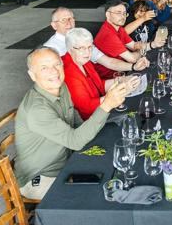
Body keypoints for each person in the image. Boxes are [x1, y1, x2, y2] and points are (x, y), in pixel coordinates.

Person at [15, 47, 130, 199]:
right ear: (32, 75)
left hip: (68, 161)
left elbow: (76, 122)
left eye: (57, 64)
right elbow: (75, 141)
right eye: (44, 68)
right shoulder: (37, 110)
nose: (54, 71)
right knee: (97, 195)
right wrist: (107, 105)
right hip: (42, 176)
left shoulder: (61, 87)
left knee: (115, 172)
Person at [43, 7, 149, 77]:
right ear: (54, 25)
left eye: (71, 19)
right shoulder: (50, 49)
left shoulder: (82, 38)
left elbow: (108, 62)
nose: (69, 23)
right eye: (63, 20)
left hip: (93, 82)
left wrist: (133, 67)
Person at [62, 28, 142, 120]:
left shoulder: (83, 60)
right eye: (82, 48)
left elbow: (99, 86)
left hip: (102, 107)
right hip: (92, 119)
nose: (87, 52)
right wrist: (120, 91)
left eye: (90, 47)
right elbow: (86, 108)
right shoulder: (68, 72)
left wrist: (122, 80)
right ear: (70, 49)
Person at [94, 0, 166, 79]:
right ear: (108, 15)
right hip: (108, 78)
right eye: (118, 13)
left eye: (124, 13)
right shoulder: (108, 34)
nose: (123, 17)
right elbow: (133, 59)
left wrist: (154, 44)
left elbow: (134, 46)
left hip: (121, 72)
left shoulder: (119, 29)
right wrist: (141, 50)